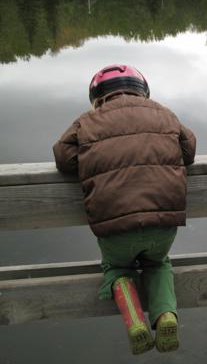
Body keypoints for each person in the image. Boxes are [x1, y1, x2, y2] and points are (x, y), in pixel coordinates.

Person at [52, 64, 196, 355]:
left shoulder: (87, 121)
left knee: (117, 268)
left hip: (115, 228)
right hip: (162, 222)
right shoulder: (164, 113)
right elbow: (189, 149)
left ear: (97, 97)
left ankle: (134, 320)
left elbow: (63, 157)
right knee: (158, 264)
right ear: (143, 91)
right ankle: (165, 315)